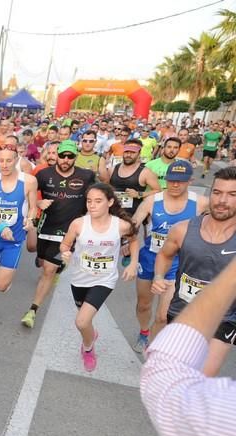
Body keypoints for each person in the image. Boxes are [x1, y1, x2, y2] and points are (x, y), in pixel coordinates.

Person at [140, 253, 236, 436]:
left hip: (217, 319)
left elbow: (165, 371)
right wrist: (159, 276)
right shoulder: (185, 229)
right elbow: (166, 250)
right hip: (180, 304)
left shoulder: (225, 426)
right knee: (158, 314)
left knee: (197, 379)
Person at [151, 166, 236, 377]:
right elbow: (164, 255)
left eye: (232, 194)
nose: (222, 200)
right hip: (182, 311)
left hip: (224, 317)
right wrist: (159, 276)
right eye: (217, 193)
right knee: (176, 371)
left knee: (201, 375)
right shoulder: (182, 229)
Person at [130, 160, 208, 353]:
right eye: (171, 180)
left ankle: (154, 352)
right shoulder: (153, 201)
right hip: (149, 260)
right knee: (143, 305)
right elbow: (134, 224)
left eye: (180, 181)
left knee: (163, 316)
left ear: (189, 181)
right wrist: (126, 242)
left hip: (177, 264)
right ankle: (144, 331)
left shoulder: (200, 203)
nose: (174, 185)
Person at [59, 184, 138, 371]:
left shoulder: (121, 225)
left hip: (104, 279)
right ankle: (91, 334)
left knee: (81, 321)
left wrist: (133, 263)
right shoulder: (78, 224)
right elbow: (65, 244)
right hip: (79, 278)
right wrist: (66, 252)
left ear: (110, 202)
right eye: (89, 201)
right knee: (84, 318)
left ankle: (88, 349)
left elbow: (134, 239)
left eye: (98, 201)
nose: (92, 205)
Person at [22, 140, 95, 328]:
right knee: (35, 253)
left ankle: (32, 310)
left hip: (67, 231)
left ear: (75, 157)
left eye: (70, 156)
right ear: (56, 155)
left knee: (48, 270)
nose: (65, 159)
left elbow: (98, 197)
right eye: (62, 155)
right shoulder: (44, 174)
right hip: (44, 226)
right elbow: (26, 193)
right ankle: (56, 263)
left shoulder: (86, 176)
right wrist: (37, 204)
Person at [0, 144, 38, 328]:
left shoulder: (28, 181)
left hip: (14, 240)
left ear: (17, 160)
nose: (4, 165)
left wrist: (29, 220)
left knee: (1, 286)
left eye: (9, 160)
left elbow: (33, 207)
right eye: (1, 160)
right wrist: (3, 225)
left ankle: (4, 279)